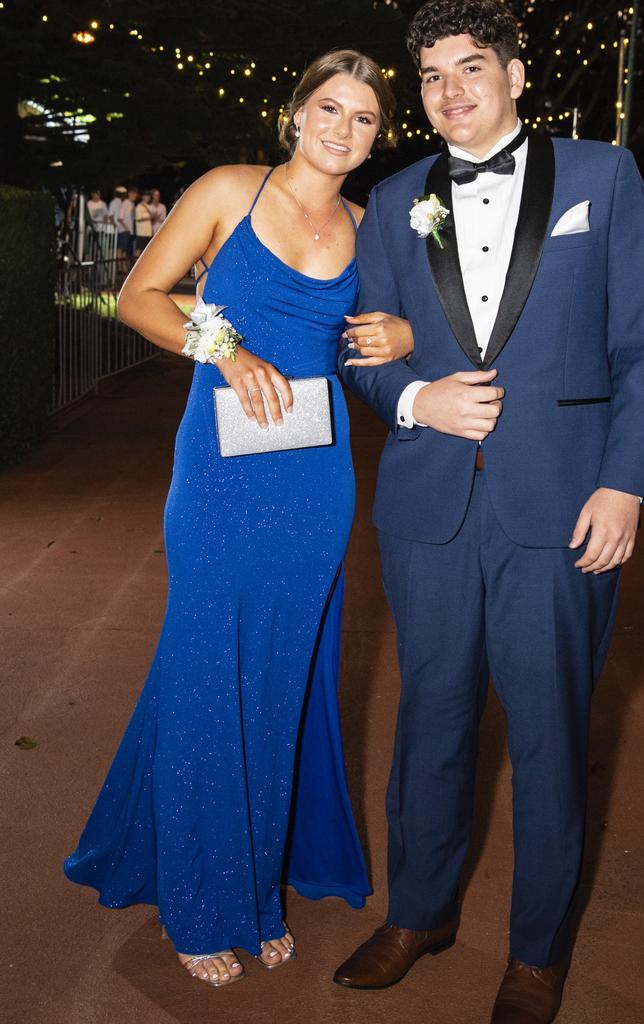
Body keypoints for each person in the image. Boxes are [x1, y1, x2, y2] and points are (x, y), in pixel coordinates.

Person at [334, 3, 644, 1022]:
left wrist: (625, 484)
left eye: (471, 68)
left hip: (566, 505)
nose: (451, 90)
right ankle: (421, 911)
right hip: (430, 504)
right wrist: (409, 397)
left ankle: (536, 950)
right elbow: (364, 347)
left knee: (549, 733)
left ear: (517, 76)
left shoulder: (603, 177)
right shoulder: (393, 198)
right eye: (433, 75)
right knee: (429, 720)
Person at [64, 50, 414, 989]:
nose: (345, 129)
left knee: (279, 676)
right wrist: (228, 350)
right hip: (219, 470)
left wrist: (404, 335)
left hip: (317, 476)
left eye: (366, 119)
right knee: (207, 659)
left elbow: (392, 335)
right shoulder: (229, 190)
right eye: (330, 108)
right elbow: (134, 295)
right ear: (295, 113)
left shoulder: (369, 226)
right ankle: (203, 899)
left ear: (380, 136)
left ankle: (254, 883)